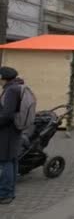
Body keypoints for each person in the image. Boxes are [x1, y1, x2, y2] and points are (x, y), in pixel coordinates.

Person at [0, 67, 23, 204]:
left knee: (6, 161)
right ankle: (10, 191)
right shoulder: (16, 87)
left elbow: (7, 115)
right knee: (12, 161)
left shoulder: (10, 91)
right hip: (13, 131)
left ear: (4, 77)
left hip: (7, 132)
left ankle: (6, 193)